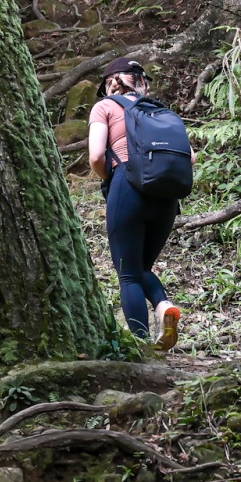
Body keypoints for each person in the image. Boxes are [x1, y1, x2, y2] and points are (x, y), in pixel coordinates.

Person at [87, 57, 192, 350]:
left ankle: (140, 345)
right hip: (167, 195)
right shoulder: (162, 112)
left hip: (128, 187)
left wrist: (115, 176)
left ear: (110, 84)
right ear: (141, 81)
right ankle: (163, 307)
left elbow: (96, 156)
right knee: (141, 267)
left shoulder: (105, 107)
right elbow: (191, 158)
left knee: (129, 274)